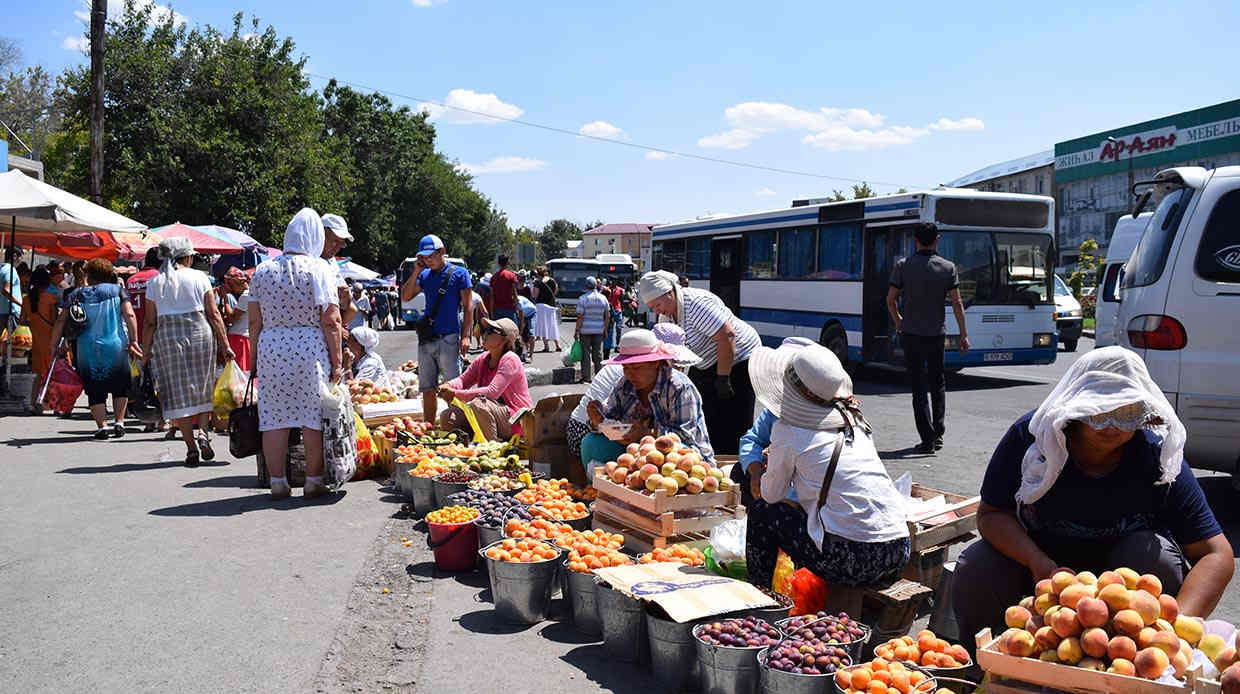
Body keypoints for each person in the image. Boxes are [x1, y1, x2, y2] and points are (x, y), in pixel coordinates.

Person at [952, 346, 1234, 646]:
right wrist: (1037, 562)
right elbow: (992, 514)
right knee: (977, 564)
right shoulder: (1034, 441)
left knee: (1155, 555)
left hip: (1124, 596)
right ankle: (983, 667)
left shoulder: (1157, 455)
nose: (1112, 425)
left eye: (1125, 412)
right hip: (1041, 576)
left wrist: (1175, 633)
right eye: (1099, 411)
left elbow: (1216, 554)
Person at [745, 342, 910, 606]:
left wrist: (770, 464)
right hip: (898, 551)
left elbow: (771, 494)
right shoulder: (855, 422)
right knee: (805, 517)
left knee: (763, 513)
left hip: (853, 558)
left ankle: (759, 602)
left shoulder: (788, 430)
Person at [249, 208, 345, 499]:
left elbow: (254, 321)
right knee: (312, 417)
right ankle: (314, 480)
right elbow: (331, 319)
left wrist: (254, 358)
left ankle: (278, 481)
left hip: (272, 348)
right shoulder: (319, 269)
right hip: (309, 347)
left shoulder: (263, 270)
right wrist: (338, 361)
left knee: (274, 418)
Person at [639, 270, 760, 455]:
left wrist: (723, 378)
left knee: (733, 417)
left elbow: (727, 336)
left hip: (739, 357)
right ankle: (711, 454)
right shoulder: (667, 315)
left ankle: (735, 464)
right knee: (704, 411)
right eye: (651, 307)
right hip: (706, 360)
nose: (656, 311)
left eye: (657, 305)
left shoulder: (694, 304)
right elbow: (674, 355)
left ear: (670, 293)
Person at [141, 238, 234, 465]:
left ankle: (191, 447)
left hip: (167, 339)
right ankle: (203, 433)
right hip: (199, 334)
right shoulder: (200, 277)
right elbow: (213, 314)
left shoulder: (155, 282)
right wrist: (225, 344)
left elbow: (150, 322)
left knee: (177, 394)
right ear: (188, 257)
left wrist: (145, 352)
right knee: (203, 387)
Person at [886, 222, 969, 454]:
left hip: (911, 334)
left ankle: (927, 437)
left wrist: (899, 321)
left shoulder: (903, 266)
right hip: (936, 335)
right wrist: (963, 334)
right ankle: (938, 433)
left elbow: (890, 299)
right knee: (938, 382)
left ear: (915, 240)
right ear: (937, 240)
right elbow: (957, 303)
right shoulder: (948, 268)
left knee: (918, 387)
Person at [571, 324, 700, 467]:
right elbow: (611, 419)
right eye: (625, 367)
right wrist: (597, 420)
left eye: (637, 368)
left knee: (678, 453)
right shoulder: (625, 383)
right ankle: (599, 487)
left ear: (655, 363)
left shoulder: (679, 387)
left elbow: (685, 437)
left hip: (681, 458)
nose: (629, 374)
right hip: (638, 452)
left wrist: (647, 433)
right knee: (591, 442)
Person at [48, 259, 142, 439]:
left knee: (94, 387)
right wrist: (134, 340)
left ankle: (102, 426)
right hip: (116, 344)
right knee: (119, 386)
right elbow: (129, 314)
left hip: (87, 348)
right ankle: (119, 422)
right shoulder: (118, 291)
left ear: (88, 275)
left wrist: (54, 344)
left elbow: (61, 320)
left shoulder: (76, 294)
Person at [400, 234, 472, 425]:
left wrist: (466, 336)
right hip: (426, 339)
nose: (427, 260)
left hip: (449, 337)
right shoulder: (424, 275)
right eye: (423, 257)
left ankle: (457, 427)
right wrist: (415, 271)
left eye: (431, 255)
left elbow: (468, 306)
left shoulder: (459, 273)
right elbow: (406, 297)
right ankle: (429, 428)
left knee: (452, 388)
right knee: (427, 389)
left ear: (442, 252)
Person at [437, 317, 532, 441]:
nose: (485, 334)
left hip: (517, 419)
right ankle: (467, 447)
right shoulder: (483, 358)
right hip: (492, 415)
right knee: (448, 417)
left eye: (492, 331)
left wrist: (455, 393)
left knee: (478, 404)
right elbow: (463, 380)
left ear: (505, 340)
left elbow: (492, 392)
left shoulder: (510, 359)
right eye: (486, 330)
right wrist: (447, 386)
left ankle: (491, 448)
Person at [21, 267, 60, 414]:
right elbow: (56, 322)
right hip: (51, 340)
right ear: (47, 281)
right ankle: (55, 405)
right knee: (53, 374)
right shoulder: (52, 299)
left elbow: (22, 322)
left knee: (38, 374)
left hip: (36, 341)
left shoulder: (26, 300)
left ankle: (33, 402)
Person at [320, 214, 357, 328]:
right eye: (335, 241)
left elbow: (348, 306)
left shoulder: (331, 262)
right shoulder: (307, 261)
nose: (338, 248)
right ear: (321, 235)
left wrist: (346, 297)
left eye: (341, 244)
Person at [575, 276, 611, 383]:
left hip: (585, 331)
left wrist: (577, 330)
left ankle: (586, 377)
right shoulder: (603, 298)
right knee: (598, 354)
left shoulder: (583, 299)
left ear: (586, 286)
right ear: (596, 285)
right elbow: (607, 316)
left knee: (585, 354)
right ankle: (599, 376)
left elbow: (580, 317)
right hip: (599, 330)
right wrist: (605, 329)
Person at [219, 267, 253, 372]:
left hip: (239, 337)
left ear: (238, 283)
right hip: (243, 337)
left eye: (232, 285)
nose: (231, 288)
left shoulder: (246, 295)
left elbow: (231, 318)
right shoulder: (249, 294)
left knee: (236, 373)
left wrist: (225, 298)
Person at [532, 266, 560, 352]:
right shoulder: (552, 281)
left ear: (538, 274)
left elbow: (535, 295)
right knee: (553, 325)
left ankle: (546, 346)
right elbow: (555, 292)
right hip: (551, 305)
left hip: (541, 306)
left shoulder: (537, 282)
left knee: (544, 326)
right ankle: (557, 345)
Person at [490, 255, 519, 324]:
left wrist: (491, 312)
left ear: (498, 263)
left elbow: (492, 296)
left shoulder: (493, 277)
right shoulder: (512, 276)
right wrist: (517, 308)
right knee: (512, 332)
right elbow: (514, 293)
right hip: (509, 309)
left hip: (497, 309)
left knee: (499, 332)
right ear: (507, 263)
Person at [0, 247, 22, 338]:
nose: (21, 261)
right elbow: (6, 290)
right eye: (21, 257)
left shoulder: (2, 268)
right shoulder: (10, 270)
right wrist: (20, 304)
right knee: (12, 342)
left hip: (2, 311)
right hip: (10, 312)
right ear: (15, 256)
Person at [604, 278, 624, 358]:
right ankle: (609, 345)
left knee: (619, 328)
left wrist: (622, 310)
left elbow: (621, 300)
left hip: (617, 310)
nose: (613, 283)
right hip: (609, 311)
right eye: (612, 281)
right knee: (610, 329)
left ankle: (617, 345)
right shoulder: (607, 290)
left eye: (614, 281)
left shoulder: (620, 290)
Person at [517, 293, 537, 362]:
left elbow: (521, 318)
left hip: (532, 313)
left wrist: (521, 330)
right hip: (524, 314)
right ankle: (524, 354)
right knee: (523, 336)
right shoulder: (511, 302)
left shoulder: (519, 302)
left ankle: (530, 356)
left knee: (531, 334)